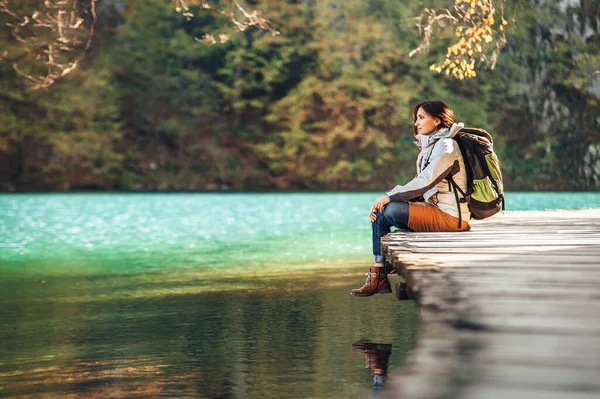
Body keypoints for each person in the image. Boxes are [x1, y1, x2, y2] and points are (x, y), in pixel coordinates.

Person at [351, 100, 471, 297]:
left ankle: (378, 275)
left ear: (438, 120)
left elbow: (425, 182)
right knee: (385, 210)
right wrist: (393, 198)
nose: (416, 123)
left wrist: (390, 196)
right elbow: (422, 187)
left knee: (385, 211)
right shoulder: (432, 146)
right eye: (416, 118)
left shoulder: (447, 146)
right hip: (437, 211)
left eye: (422, 117)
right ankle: (380, 271)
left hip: (450, 217)